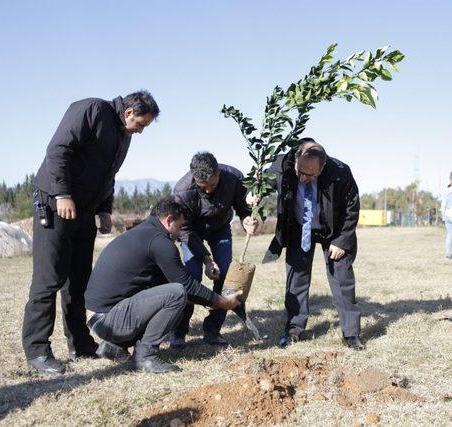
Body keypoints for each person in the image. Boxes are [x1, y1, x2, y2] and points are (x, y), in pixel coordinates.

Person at [22, 91, 160, 375]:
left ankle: (81, 344)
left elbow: (109, 173)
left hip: (84, 210)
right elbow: (59, 149)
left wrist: (105, 209)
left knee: (79, 281)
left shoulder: (124, 135)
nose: (141, 131)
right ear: (130, 112)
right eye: (141, 125)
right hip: (54, 202)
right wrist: (62, 194)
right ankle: (37, 350)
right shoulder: (91, 110)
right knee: (49, 278)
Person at [84, 198, 242, 373]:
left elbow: (163, 286)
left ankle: (114, 346)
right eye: (180, 226)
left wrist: (205, 298)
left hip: (101, 318)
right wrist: (222, 302)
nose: (180, 233)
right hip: (108, 320)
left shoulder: (145, 233)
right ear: (168, 220)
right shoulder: (160, 242)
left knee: (175, 293)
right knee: (177, 293)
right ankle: (145, 357)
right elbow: (185, 286)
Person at [259, 138, 363, 350]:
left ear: (322, 166)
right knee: (296, 279)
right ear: (296, 159)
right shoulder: (282, 165)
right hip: (299, 226)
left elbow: (352, 207)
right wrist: (255, 194)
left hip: (332, 229)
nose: (305, 178)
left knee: (342, 278)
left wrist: (341, 240)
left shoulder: (340, 172)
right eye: (301, 172)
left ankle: (351, 334)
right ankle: (293, 329)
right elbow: (262, 183)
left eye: (312, 174)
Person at [169, 152, 259, 348]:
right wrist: (207, 260)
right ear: (194, 178)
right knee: (190, 277)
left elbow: (244, 207)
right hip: (192, 233)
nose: (209, 191)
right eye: (204, 187)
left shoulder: (234, 178)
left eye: (212, 184)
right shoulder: (182, 191)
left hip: (220, 229)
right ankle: (179, 331)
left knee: (226, 275)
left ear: (218, 172)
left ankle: (213, 329)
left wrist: (247, 220)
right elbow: (184, 230)